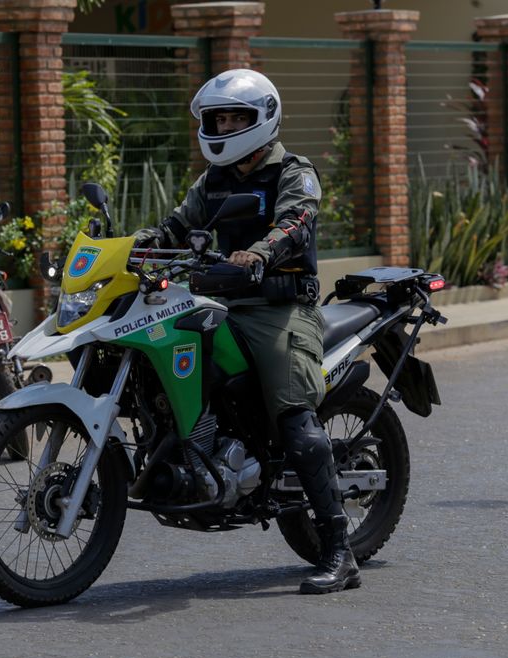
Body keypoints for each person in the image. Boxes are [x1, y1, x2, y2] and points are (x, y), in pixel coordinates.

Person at [135, 69, 359, 594]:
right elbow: (173, 228)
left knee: (295, 417)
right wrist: (137, 246)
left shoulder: (292, 172)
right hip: (219, 302)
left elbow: (294, 224)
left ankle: (338, 548)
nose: (227, 126)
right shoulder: (211, 183)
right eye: (220, 119)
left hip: (279, 309)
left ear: (263, 119)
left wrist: (258, 254)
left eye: (236, 117)